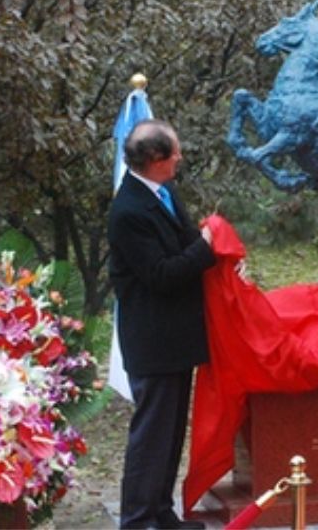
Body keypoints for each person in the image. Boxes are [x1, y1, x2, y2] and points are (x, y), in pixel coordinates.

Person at [108, 119, 215, 530]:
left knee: (169, 436)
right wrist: (206, 250)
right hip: (152, 340)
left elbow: (187, 239)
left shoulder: (163, 192)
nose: (179, 158)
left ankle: (160, 513)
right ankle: (136, 520)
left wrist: (213, 245)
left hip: (177, 338)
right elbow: (161, 274)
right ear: (154, 159)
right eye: (174, 152)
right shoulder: (129, 211)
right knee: (151, 436)